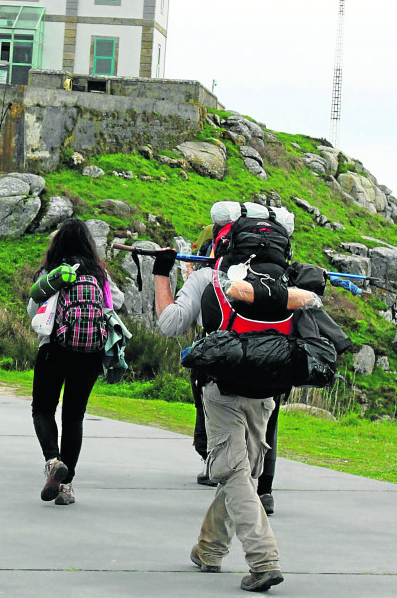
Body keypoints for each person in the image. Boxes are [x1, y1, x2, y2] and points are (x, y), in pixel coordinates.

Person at [154, 245, 284, 592]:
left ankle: (263, 559)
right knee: (242, 474)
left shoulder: (207, 278)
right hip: (265, 390)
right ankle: (209, 550)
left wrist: (160, 275)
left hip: (221, 386)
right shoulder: (281, 283)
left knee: (234, 472)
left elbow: (170, 324)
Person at [26, 218, 119, 506]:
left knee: (43, 409)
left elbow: (33, 310)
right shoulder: (99, 274)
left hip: (54, 349)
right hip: (90, 353)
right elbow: (116, 302)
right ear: (88, 244)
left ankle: (53, 460)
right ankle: (66, 487)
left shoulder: (52, 273)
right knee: (74, 416)